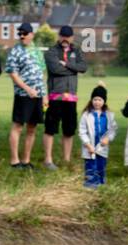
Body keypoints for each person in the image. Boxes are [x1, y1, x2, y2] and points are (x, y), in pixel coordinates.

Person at [41, 25, 86, 169]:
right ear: (59, 36)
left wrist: (66, 64)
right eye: (63, 36)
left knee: (69, 130)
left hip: (71, 98)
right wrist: (73, 69)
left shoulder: (77, 51)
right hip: (55, 97)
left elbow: (83, 67)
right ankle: (48, 160)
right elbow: (55, 69)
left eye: (68, 36)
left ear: (72, 37)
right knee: (50, 129)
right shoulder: (51, 52)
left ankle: (66, 160)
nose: (65, 39)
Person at [6, 22, 44, 169]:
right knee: (17, 127)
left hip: (38, 95)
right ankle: (14, 161)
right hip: (23, 95)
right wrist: (28, 89)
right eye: (19, 34)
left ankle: (26, 160)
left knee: (32, 128)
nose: (21, 36)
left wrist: (44, 95)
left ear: (31, 34)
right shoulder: (15, 51)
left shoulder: (37, 51)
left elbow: (42, 73)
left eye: (24, 33)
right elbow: (13, 74)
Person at [78, 84, 116, 188]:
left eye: (100, 100)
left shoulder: (109, 115)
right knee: (90, 169)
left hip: (102, 149)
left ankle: (101, 188)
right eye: (95, 99)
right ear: (91, 100)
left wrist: (108, 138)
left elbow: (112, 129)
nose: (97, 102)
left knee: (100, 168)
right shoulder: (86, 115)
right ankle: (89, 189)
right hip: (89, 149)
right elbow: (82, 131)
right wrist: (87, 144)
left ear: (104, 101)